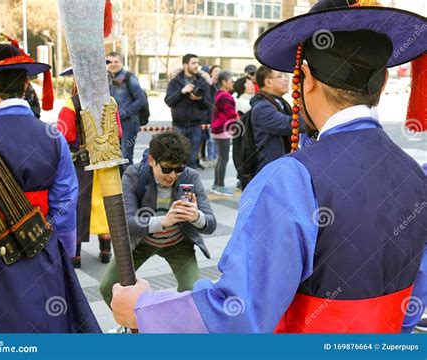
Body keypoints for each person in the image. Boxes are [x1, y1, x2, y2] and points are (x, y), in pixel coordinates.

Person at [111, 0, 426, 333]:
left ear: (306, 78)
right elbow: (414, 301)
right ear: (383, 81)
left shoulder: (292, 178)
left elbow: (238, 316)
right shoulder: (416, 174)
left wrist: (143, 309)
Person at [0, 43, 100, 333]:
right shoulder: (53, 136)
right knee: (45, 322)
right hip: (42, 242)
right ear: (26, 84)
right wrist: (63, 250)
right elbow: (66, 205)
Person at [100, 132, 216, 307]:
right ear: (152, 160)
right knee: (108, 287)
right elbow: (126, 223)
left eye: (178, 169)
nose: (172, 175)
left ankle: (179, 328)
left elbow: (211, 224)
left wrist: (196, 217)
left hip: (178, 244)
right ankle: (132, 326)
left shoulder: (190, 176)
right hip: (141, 243)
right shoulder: (135, 175)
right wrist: (163, 221)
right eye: (167, 169)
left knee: (191, 292)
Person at [58, 66, 122, 268]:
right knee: (106, 205)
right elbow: (118, 132)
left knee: (80, 206)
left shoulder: (71, 103)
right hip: (106, 162)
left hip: (82, 162)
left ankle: (75, 256)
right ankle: (105, 251)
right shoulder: (110, 102)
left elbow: (66, 134)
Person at [164, 54, 212, 169]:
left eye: (197, 63)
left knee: (191, 160)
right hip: (178, 126)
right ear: (185, 65)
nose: (197, 66)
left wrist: (199, 99)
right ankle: (176, 185)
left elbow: (208, 104)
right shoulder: (175, 82)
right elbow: (169, 101)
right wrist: (182, 92)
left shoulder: (202, 82)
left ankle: (189, 186)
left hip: (196, 126)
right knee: (177, 159)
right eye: (193, 63)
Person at [250, 66, 296, 175]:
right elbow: (289, 124)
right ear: (268, 82)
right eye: (281, 76)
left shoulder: (280, 103)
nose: (286, 79)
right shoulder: (262, 108)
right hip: (269, 168)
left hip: (279, 164)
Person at [107, 52, 146, 168]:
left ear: (122, 63)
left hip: (128, 124)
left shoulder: (129, 77)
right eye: (109, 62)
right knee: (115, 158)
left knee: (125, 157)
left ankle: (129, 184)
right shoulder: (106, 78)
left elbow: (141, 99)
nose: (113, 64)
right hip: (112, 124)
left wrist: (124, 113)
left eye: (116, 61)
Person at [210, 71, 237, 197]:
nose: (233, 83)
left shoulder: (219, 94)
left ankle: (217, 184)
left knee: (221, 159)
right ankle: (219, 185)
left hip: (218, 130)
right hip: (223, 131)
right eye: (231, 81)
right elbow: (231, 114)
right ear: (224, 82)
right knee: (223, 159)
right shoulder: (225, 97)